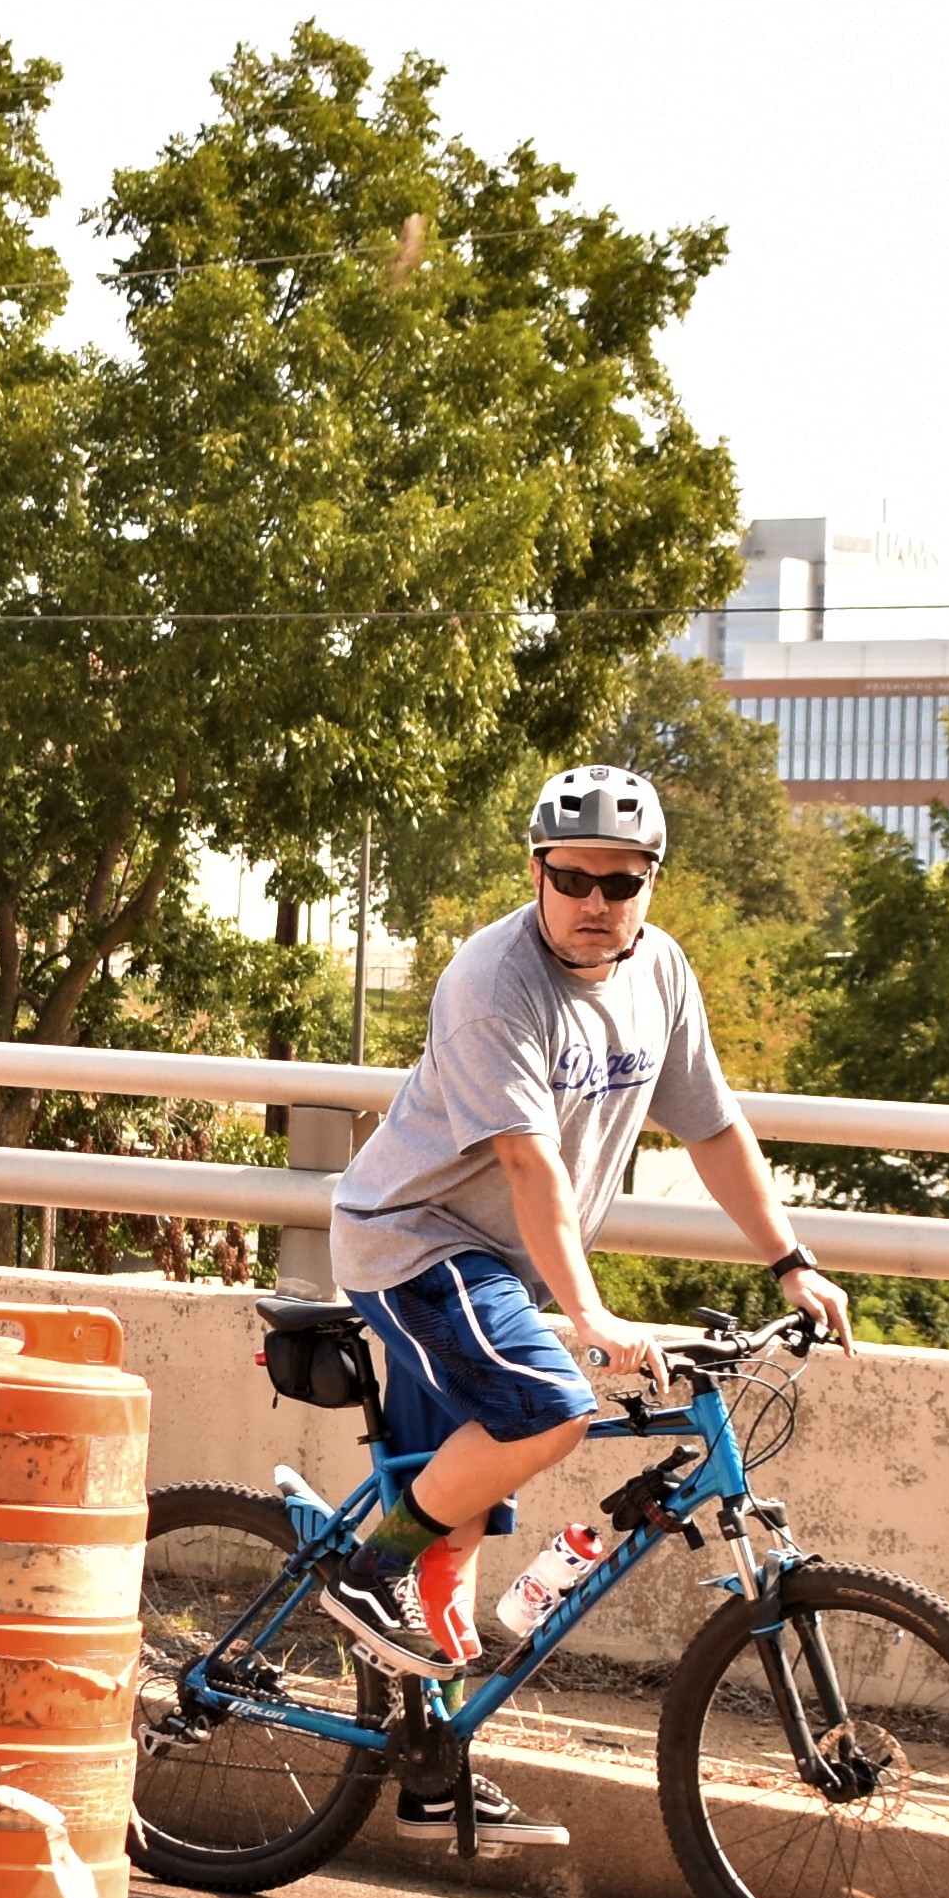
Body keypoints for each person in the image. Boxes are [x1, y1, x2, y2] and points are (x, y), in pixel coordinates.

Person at [315, 767, 858, 1828]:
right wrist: (593, 1320)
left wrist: (791, 1259)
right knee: (553, 1404)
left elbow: (712, 1127)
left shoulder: (658, 971)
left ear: (651, 882)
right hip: (418, 1242)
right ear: (538, 871)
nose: (595, 901)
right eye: (572, 878)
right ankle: (366, 1570)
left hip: (506, 1266)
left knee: (460, 1513)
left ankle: (429, 1756)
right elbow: (531, 1171)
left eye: (621, 880)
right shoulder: (494, 982)